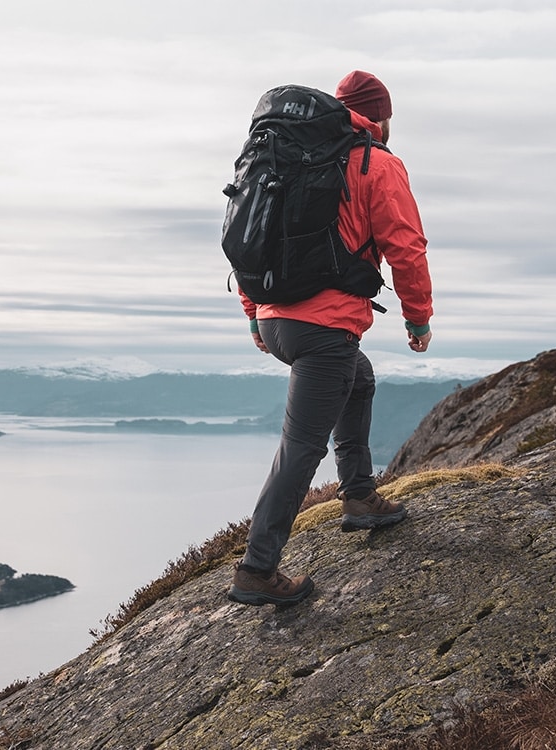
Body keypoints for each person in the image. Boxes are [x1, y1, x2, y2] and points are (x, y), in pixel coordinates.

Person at [228, 70, 434, 606]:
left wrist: (255, 313)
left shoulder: (283, 158)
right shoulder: (375, 163)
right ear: (381, 117)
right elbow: (406, 247)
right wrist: (418, 316)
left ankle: (360, 496)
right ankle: (258, 569)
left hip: (277, 320)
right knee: (300, 448)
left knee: (357, 378)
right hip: (322, 327)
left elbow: (251, 237)